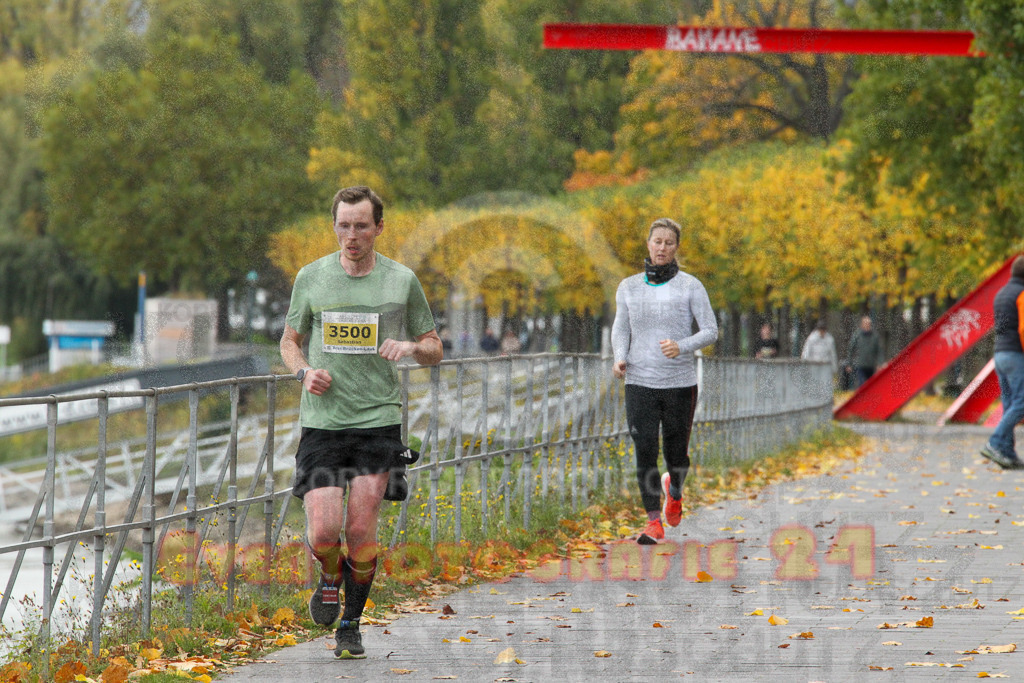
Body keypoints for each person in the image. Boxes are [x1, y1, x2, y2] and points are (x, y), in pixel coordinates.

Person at [280, 186, 443, 659]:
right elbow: (290, 340)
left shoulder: (401, 281)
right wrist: (304, 371)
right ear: (334, 226)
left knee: (360, 528)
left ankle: (350, 625)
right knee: (323, 532)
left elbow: (433, 346)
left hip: (377, 420)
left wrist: (412, 348)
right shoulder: (311, 278)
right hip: (325, 423)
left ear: (378, 228)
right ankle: (330, 576)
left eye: (361, 226)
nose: (352, 235)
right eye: (344, 225)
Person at [611, 218, 718, 545]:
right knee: (644, 450)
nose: (662, 248)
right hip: (639, 381)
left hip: (680, 383)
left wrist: (681, 345)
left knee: (676, 454)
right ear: (648, 244)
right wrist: (619, 356)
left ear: (676, 248)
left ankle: (675, 491)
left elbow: (710, 330)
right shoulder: (628, 286)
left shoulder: (690, 286)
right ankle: (653, 521)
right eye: (657, 241)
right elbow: (622, 328)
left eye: (668, 243)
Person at [981, 255, 1024, 469]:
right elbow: (1023, 328)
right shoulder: (1022, 294)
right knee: (1022, 402)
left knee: (1009, 404)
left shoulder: (1001, 294)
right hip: (1016, 354)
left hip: (1000, 354)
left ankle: (1006, 453)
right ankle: (995, 442)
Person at [846, 315, 882, 388]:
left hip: (871, 365)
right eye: (865, 323)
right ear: (862, 324)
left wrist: (879, 363)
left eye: (869, 324)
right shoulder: (857, 335)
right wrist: (849, 363)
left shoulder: (875, 336)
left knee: (871, 386)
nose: (867, 325)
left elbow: (879, 351)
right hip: (860, 365)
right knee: (862, 385)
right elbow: (851, 349)